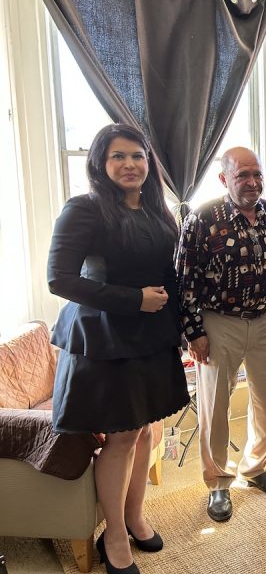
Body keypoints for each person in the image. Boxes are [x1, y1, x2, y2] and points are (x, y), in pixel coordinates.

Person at [48, 124, 190, 574]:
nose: (130, 165)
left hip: (150, 335)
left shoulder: (158, 211)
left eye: (138, 156)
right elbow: (60, 280)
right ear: (100, 164)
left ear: (149, 164)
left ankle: (133, 517)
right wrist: (134, 300)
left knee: (145, 429)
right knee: (123, 436)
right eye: (118, 157)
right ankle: (112, 536)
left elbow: (170, 274)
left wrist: (182, 324)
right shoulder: (84, 209)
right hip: (105, 337)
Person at [176, 146, 266, 523]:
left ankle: (255, 468)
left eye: (256, 174)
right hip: (218, 321)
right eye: (243, 175)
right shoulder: (203, 218)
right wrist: (194, 332)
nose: (253, 182)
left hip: (264, 319)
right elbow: (184, 281)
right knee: (215, 406)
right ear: (224, 178)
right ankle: (218, 483)